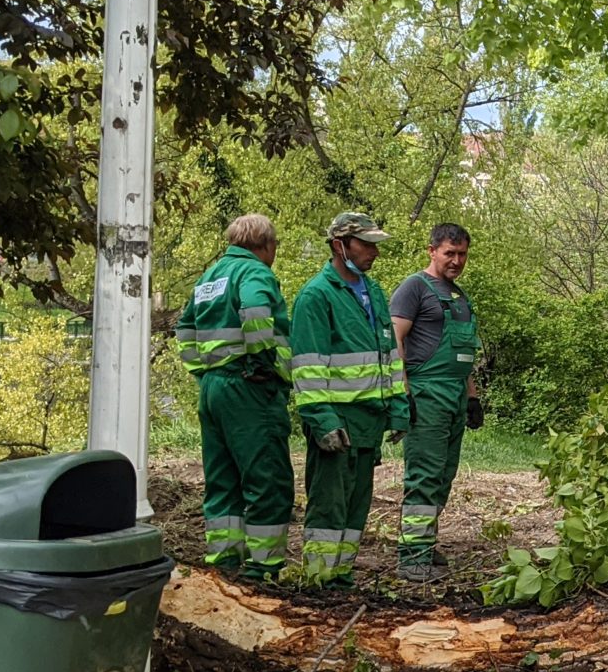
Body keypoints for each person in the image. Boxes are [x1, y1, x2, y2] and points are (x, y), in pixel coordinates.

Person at [287, 211, 408, 587]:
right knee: (329, 503)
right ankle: (319, 580)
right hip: (336, 421)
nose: (373, 252)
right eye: (365, 244)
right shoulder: (316, 295)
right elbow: (307, 367)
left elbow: (389, 357)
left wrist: (399, 409)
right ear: (340, 245)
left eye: (375, 244)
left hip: (369, 422)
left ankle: (341, 577)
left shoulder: (372, 290)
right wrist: (322, 420)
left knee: (357, 504)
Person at [173, 214, 293, 581]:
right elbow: (257, 313)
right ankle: (263, 568)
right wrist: (262, 363)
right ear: (265, 245)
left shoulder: (210, 277)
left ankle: (223, 565)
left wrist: (203, 372)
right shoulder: (253, 272)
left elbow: (184, 329)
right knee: (266, 476)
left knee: (222, 477)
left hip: (214, 387)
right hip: (247, 385)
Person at [389, 221, 483, 577]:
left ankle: (424, 545)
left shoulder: (459, 296)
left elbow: (465, 352)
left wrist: (472, 398)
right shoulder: (414, 288)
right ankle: (412, 557)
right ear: (432, 251)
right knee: (425, 475)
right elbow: (395, 341)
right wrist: (404, 393)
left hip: (455, 396)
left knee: (444, 474)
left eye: (462, 254)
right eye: (449, 253)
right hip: (426, 394)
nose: (456, 260)